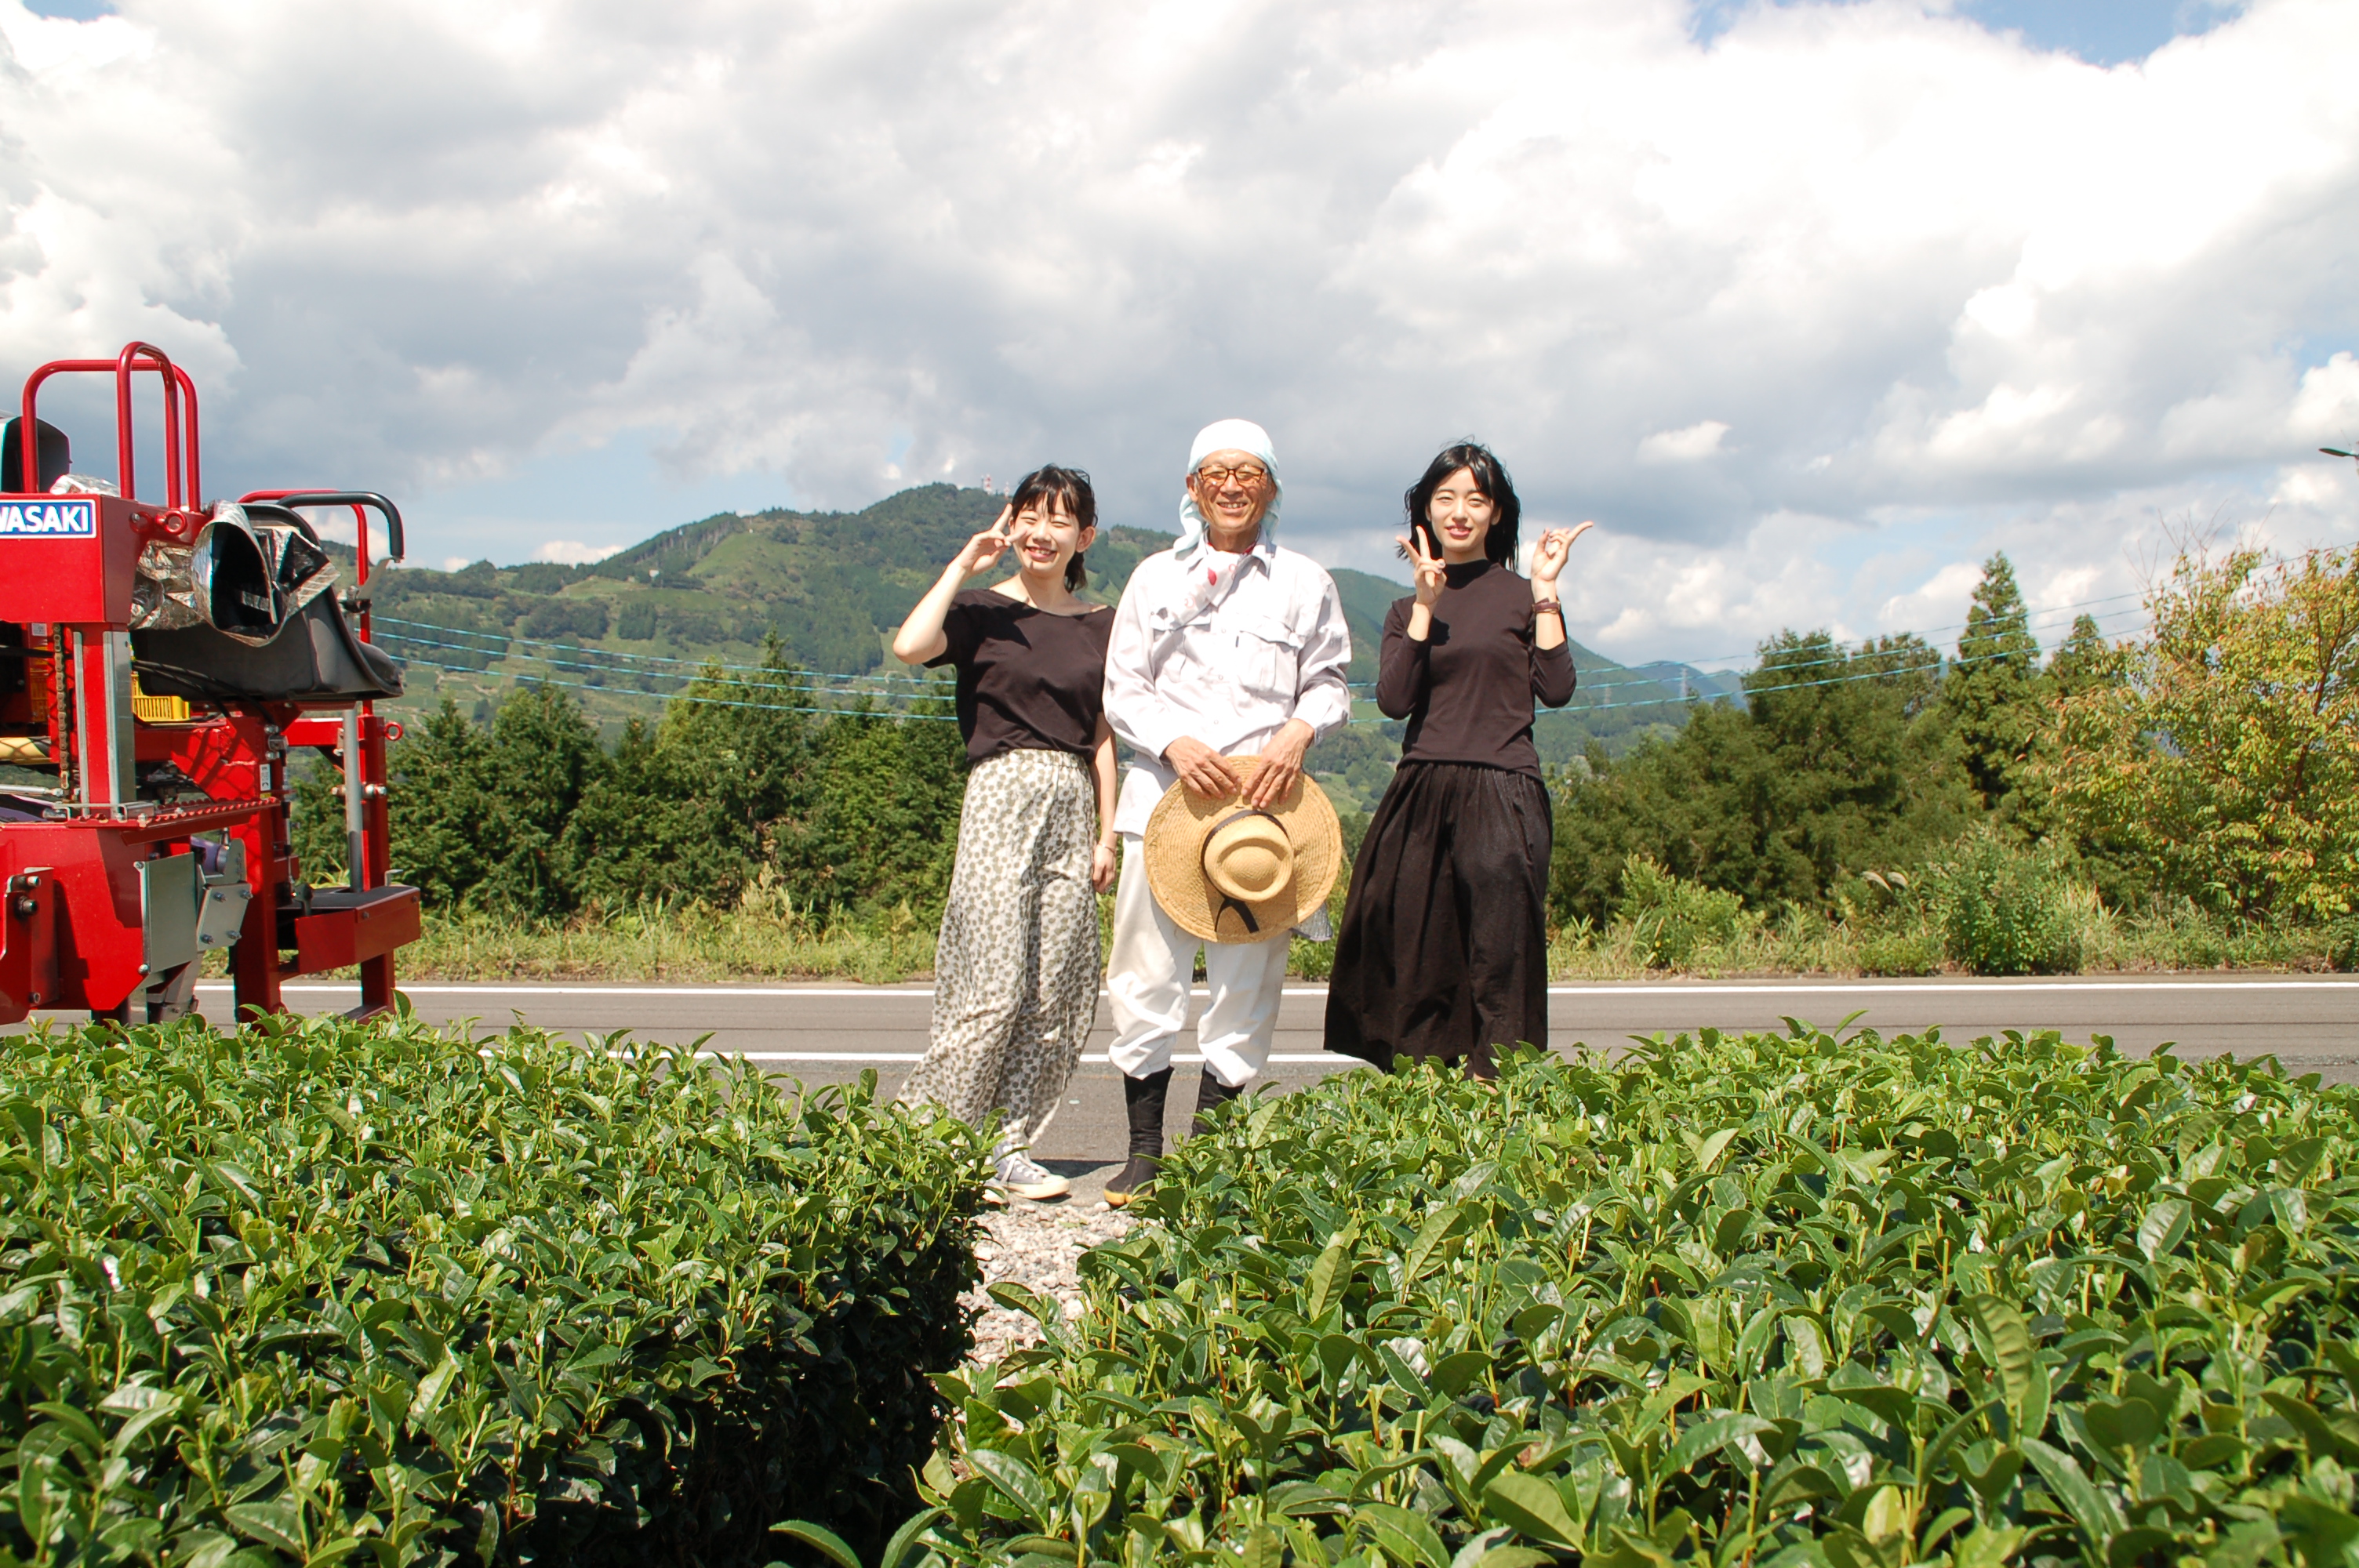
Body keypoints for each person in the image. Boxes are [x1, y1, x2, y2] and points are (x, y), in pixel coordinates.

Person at [1100, 419, 1353, 1205]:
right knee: (1145, 975)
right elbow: (1121, 686)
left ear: (1271, 488)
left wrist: (1297, 732)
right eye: (1215, 472)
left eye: (1249, 472)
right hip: (1161, 805)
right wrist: (1172, 742)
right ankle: (1143, 1152)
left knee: (1246, 980)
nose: (1232, 484)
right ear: (1191, 488)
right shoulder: (1150, 580)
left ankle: (1210, 1159)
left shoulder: (1304, 582)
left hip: (1261, 818)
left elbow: (1330, 681)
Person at [1323, 442, 1591, 1079]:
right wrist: (1424, 604)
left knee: (1501, 956)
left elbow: (1556, 689)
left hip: (1503, 790)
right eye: (1446, 498)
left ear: (1497, 513)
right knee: (1411, 949)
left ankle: (1498, 1101)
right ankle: (1424, 1103)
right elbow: (1393, 701)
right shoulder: (1403, 607)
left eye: (1476, 499)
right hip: (1421, 789)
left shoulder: (1522, 596)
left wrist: (1547, 588)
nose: (1460, 512)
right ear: (1425, 511)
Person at [892, 466, 1118, 1202]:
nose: (1041, 531)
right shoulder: (984, 610)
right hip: (1000, 794)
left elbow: (1105, 736)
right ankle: (920, 1142)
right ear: (1011, 523)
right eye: (1029, 515)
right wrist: (965, 562)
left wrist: (1106, 835)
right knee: (989, 987)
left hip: (1072, 801)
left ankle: (1003, 1147)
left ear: (1083, 536)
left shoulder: (1101, 623)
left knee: (1058, 987)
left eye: (1059, 520)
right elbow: (910, 646)